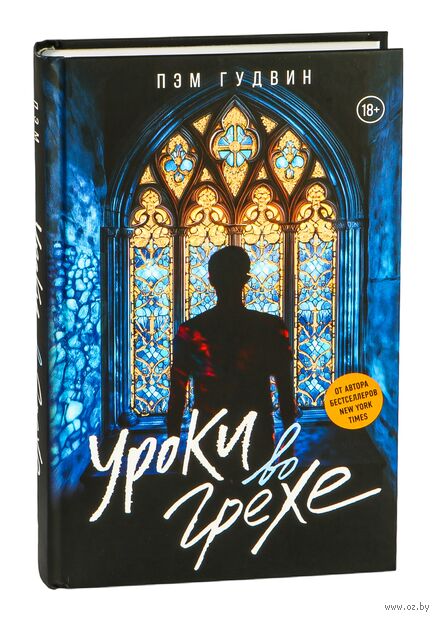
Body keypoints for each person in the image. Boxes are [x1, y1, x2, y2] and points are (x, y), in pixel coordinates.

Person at [167, 246, 297, 474]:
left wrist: (172, 450)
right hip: (256, 436)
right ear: (246, 279)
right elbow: (285, 393)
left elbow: (177, 395)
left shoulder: (192, 330)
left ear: (211, 280)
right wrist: (288, 450)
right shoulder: (270, 327)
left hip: (208, 435)